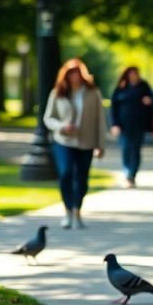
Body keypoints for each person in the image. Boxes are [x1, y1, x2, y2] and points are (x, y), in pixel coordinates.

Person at [42, 58, 107, 229]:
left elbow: (100, 120)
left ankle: (77, 211)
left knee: (82, 178)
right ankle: (68, 211)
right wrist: (62, 126)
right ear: (66, 75)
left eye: (77, 74)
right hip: (63, 140)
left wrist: (101, 144)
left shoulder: (93, 93)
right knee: (66, 174)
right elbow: (48, 118)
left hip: (86, 142)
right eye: (71, 74)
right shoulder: (58, 93)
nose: (75, 77)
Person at [109, 66, 153, 188]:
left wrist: (149, 101)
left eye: (135, 73)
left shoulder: (144, 86)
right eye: (131, 73)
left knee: (136, 150)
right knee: (126, 148)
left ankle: (132, 174)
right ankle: (127, 173)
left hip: (139, 124)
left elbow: (152, 102)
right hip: (123, 125)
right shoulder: (121, 87)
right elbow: (113, 107)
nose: (134, 76)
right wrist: (114, 124)